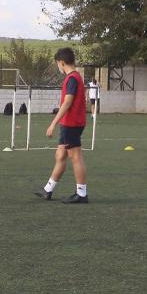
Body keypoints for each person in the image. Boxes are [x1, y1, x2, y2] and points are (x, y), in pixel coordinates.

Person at [34, 47, 89, 203]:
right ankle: (48, 189)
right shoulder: (76, 77)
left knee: (75, 157)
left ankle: (82, 194)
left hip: (71, 124)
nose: (58, 67)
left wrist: (53, 123)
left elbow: (67, 103)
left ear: (62, 62)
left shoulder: (72, 78)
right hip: (70, 123)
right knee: (60, 155)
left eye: (58, 64)